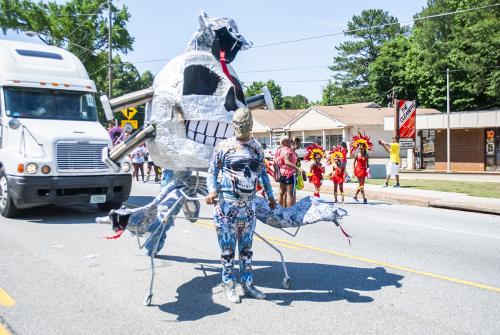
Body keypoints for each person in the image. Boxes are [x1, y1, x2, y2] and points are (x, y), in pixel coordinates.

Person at [205, 107, 276, 304]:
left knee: (246, 250)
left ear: (251, 125)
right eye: (237, 124)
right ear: (233, 125)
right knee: (227, 250)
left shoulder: (256, 148)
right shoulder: (223, 147)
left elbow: (262, 174)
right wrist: (212, 192)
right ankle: (229, 284)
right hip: (227, 207)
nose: (241, 127)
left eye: (245, 124)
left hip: (248, 207)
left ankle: (248, 283)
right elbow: (212, 172)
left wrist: (270, 196)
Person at [275, 136, 300, 208]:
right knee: (290, 194)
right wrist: (297, 168)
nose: (299, 144)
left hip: (282, 173)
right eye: (298, 142)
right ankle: (289, 212)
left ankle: (280, 210)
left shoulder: (283, 150)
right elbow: (287, 162)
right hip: (289, 174)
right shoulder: (288, 151)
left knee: (282, 193)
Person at [351, 131, 373, 204]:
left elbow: (368, 164)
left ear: (364, 147)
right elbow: (353, 163)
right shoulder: (357, 155)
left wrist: (368, 171)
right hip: (358, 170)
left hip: (363, 171)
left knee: (361, 185)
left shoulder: (366, 155)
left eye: (361, 146)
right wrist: (353, 171)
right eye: (359, 146)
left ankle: (355, 196)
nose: (360, 147)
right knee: (361, 185)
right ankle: (364, 198)